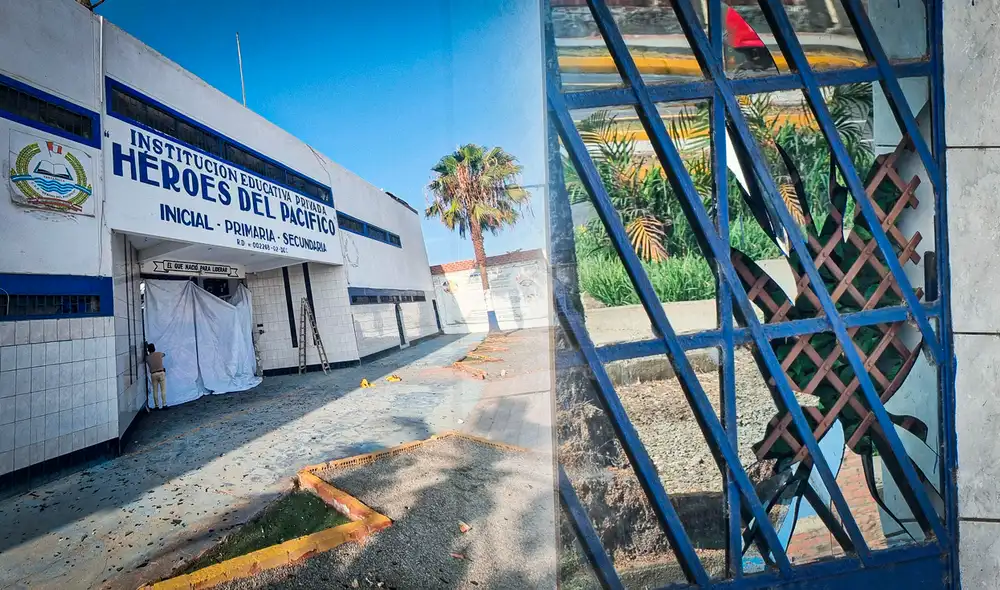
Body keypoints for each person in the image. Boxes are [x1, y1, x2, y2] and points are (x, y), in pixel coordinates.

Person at [146, 343, 167, 410]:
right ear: (154, 348)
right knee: (163, 390)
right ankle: (164, 404)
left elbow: (145, 359)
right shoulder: (159, 354)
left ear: (148, 350)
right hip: (161, 373)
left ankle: (156, 406)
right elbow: (164, 354)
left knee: (155, 390)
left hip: (153, 374)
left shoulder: (147, 357)